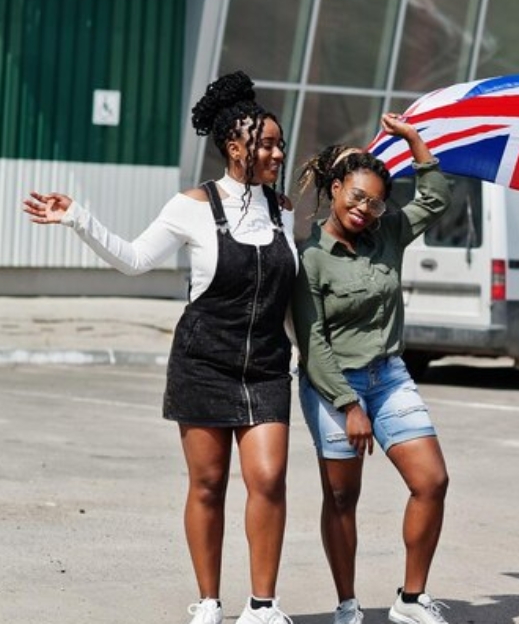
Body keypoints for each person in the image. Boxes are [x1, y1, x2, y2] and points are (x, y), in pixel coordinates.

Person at [22, 71, 297, 624]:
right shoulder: (191, 206)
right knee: (209, 483)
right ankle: (210, 601)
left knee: (268, 478)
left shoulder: (283, 209)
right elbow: (134, 258)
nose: (277, 152)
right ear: (234, 147)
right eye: (266, 143)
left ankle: (262, 607)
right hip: (203, 362)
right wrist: (77, 217)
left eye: (279, 143)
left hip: (266, 366)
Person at [291, 118, 452, 624]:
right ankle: (347, 605)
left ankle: (410, 600)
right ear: (336, 189)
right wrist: (347, 404)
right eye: (356, 197)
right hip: (333, 383)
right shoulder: (311, 257)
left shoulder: (389, 233)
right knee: (342, 496)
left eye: (376, 202)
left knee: (432, 481)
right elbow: (312, 341)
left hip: (390, 375)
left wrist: (414, 142)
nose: (365, 210)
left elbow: (435, 197)